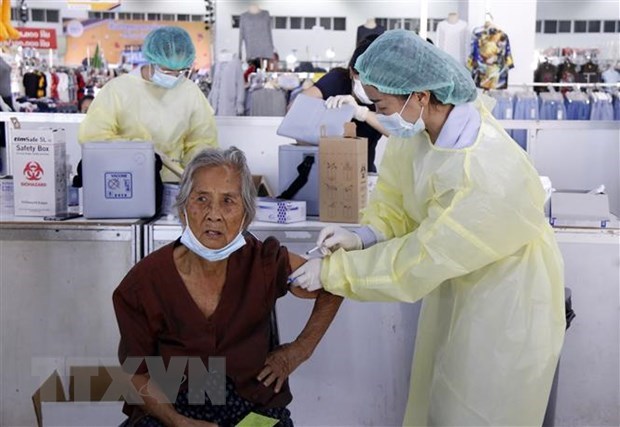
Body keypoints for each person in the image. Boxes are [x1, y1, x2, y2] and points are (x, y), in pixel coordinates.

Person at [289, 29, 566, 426]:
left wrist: (334, 272)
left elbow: (420, 258)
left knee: (479, 409)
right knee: (439, 398)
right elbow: (396, 199)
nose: (376, 113)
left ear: (420, 96)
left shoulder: (483, 171)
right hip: (458, 281)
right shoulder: (416, 130)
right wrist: (364, 234)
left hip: (507, 300)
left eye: (380, 103)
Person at [113, 146, 343, 427]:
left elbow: (334, 282)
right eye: (201, 199)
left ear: (246, 213)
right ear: (184, 209)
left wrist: (300, 350)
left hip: (252, 408)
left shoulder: (263, 261)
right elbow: (135, 375)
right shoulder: (144, 283)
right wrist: (177, 422)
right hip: (174, 410)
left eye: (228, 201)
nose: (214, 214)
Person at [78, 26, 217, 183]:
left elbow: (202, 140)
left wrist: (195, 171)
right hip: (127, 179)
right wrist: (139, 150)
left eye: (180, 71)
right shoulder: (118, 90)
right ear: (152, 61)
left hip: (174, 181)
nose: (174, 76)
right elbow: (94, 138)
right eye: (166, 71)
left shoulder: (190, 92)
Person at [302, 35, 387, 173]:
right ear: (352, 72)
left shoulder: (384, 93)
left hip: (363, 171)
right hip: (327, 169)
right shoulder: (338, 80)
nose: (369, 87)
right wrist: (326, 112)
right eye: (364, 79)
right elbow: (300, 104)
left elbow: (395, 130)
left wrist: (361, 112)